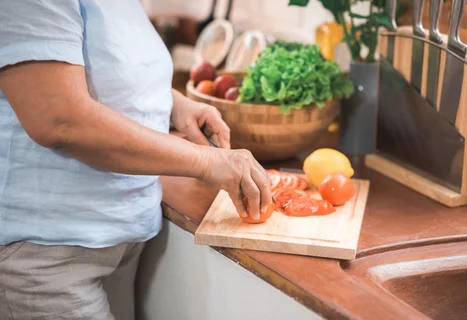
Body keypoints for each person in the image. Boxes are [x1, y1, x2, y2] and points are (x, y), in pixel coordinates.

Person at [0, 1, 271, 319]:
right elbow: (60, 119)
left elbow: (102, 65)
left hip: (118, 238)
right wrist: (206, 161)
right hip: (47, 253)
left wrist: (173, 102)